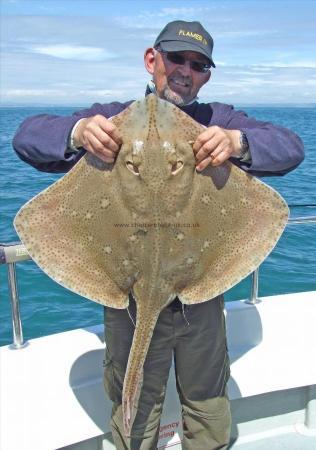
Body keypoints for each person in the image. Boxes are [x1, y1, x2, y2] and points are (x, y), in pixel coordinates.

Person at [13, 20, 304, 450]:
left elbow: (290, 147)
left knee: (207, 402)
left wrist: (237, 142)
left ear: (207, 75)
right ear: (152, 60)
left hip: (200, 291)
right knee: (136, 409)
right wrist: (77, 134)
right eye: (176, 59)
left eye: (199, 65)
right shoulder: (111, 118)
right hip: (127, 291)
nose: (186, 71)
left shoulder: (216, 119)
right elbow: (27, 137)